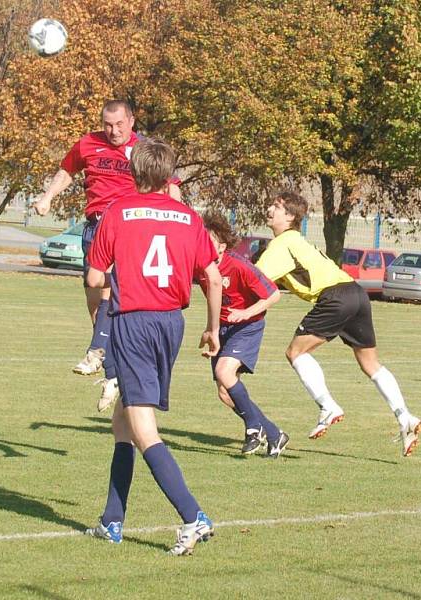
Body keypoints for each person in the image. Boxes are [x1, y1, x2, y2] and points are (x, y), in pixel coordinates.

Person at [83, 138, 222, 555]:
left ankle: (192, 515)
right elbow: (213, 278)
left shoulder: (118, 212)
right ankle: (112, 521)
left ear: (133, 172)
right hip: (171, 324)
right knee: (122, 423)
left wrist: (121, 282)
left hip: (134, 322)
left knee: (142, 427)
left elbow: (93, 279)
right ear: (169, 176)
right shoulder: (189, 217)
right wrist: (213, 329)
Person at [33, 100, 181, 412]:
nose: (113, 131)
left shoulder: (143, 150)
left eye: (119, 125)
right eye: (107, 124)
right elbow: (67, 170)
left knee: (110, 291)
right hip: (94, 228)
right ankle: (113, 373)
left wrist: (178, 216)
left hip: (128, 226)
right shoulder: (88, 143)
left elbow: (171, 186)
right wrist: (48, 196)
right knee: (97, 303)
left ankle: (96, 351)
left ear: (132, 121)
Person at [255, 191, 421, 457]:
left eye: (275, 206)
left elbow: (254, 279)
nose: (269, 209)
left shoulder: (281, 244)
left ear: (289, 216)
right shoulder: (297, 240)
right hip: (355, 293)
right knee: (371, 364)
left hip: (334, 297)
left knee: (295, 352)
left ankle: (327, 406)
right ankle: (405, 418)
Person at [200, 211, 288, 457]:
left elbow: (273, 294)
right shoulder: (201, 268)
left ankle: (252, 427)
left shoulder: (239, 265)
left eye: (209, 241)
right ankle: (273, 433)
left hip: (248, 326)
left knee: (223, 372)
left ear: (222, 246)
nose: (203, 246)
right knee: (224, 392)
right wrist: (212, 329)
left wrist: (245, 312)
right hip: (224, 329)